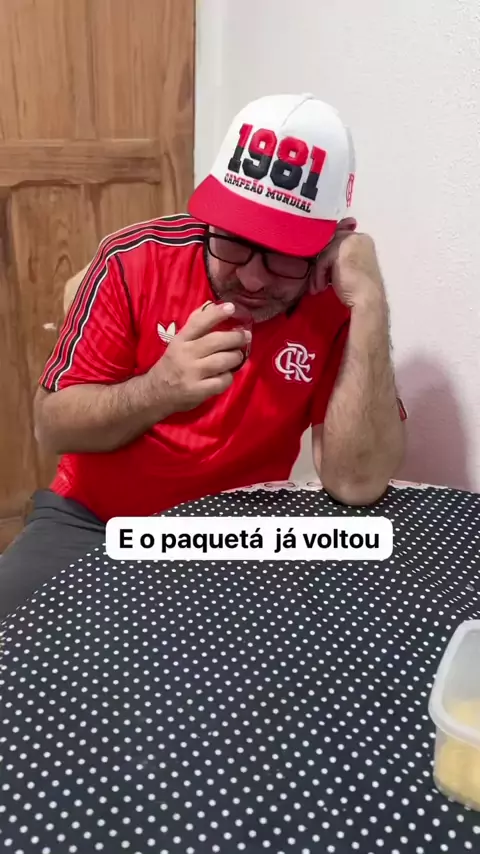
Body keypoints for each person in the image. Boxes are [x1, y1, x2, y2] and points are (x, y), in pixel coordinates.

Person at [0, 93, 406, 617]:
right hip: (93, 520)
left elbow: (356, 483)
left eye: (284, 255)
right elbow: (51, 427)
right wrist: (158, 389)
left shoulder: (335, 298)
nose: (252, 278)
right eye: (234, 241)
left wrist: (369, 301)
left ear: (334, 240)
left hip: (236, 537)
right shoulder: (133, 259)